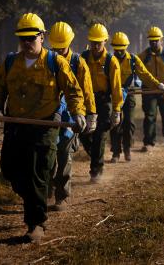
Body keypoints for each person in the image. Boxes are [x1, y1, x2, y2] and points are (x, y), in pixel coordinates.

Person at [0, 13, 86, 243]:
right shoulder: (11, 62)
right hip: (15, 127)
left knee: (37, 174)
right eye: (23, 38)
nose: (27, 42)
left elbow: (72, 90)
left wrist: (79, 112)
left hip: (45, 128)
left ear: (42, 36)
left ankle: (36, 223)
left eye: (31, 38)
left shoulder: (55, 62)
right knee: (10, 169)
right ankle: (33, 197)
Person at [47, 21, 96, 211]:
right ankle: (48, 189)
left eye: (62, 47)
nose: (58, 50)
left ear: (69, 42)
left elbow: (87, 91)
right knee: (49, 153)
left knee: (64, 154)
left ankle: (63, 196)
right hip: (50, 114)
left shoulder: (78, 62)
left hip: (70, 115)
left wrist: (91, 114)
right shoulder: (47, 60)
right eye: (55, 47)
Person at [109, 31, 164, 161]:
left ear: (126, 47)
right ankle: (116, 152)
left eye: (121, 49)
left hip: (129, 94)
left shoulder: (133, 60)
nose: (119, 52)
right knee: (115, 123)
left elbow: (145, 74)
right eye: (116, 49)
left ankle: (127, 149)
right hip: (113, 95)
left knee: (129, 122)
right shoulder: (109, 59)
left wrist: (158, 85)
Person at [80, 23, 123, 183]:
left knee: (99, 135)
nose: (96, 46)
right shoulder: (83, 58)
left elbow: (117, 88)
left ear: (105, 41)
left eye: (99, 42)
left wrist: (117, 110)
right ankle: (97, 156)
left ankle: (96, 170)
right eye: (93, 42)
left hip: (104, 102)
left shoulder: (111, 62)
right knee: (83, 133)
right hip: (85, 102)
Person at [138, 26, 164, 150]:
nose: (154, 42)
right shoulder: (143, 56)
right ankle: (149, 143)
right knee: (150, 115)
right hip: (149, 89)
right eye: (151, 40)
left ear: (161, 40)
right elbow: (138, 70)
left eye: (156, 40)